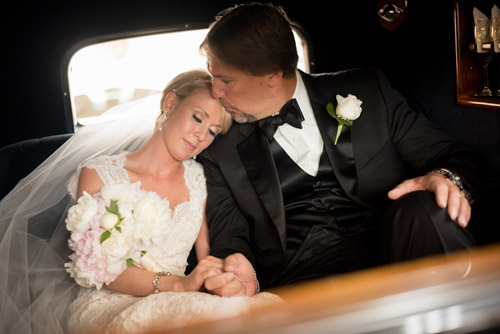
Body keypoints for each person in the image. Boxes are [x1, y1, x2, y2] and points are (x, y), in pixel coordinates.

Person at [197, 3, 487, 296]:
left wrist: (446, 178)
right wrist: (240, 273)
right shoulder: (219, 148)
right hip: (305, 277)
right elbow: (230, 239)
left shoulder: (368, 91)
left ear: (272, 74)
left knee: (428, 207)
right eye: (213, 77)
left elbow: (459, 156)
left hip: (397, 248)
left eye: (226, 80)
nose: (215, 91)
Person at [0, 70, 280, 334]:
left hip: (182, 301)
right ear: (170, 103)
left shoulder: (199, 180)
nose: (201, 136)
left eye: (212, 131)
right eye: (198, 118)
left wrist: (230, 280)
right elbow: (93, 266)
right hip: (108, 304)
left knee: (269, 312)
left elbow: (205, 260)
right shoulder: (98, 173)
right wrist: (178, 286)